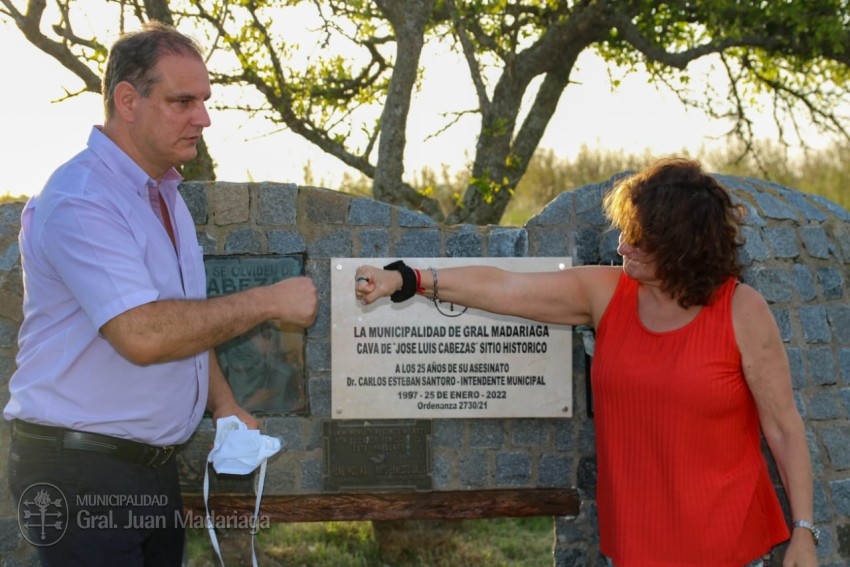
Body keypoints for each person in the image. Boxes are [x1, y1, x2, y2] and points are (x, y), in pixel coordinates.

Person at [354, 157, 818, 567]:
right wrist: (407, 279)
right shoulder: (607, 293)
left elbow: (783, 427)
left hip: (727, 547)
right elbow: (505, 288)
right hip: (635, 546)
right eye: (625, 233)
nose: (621, 248)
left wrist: (803, 531)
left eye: (638, 242)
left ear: (681, 250)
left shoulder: (742, 311)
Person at [4, 21, 317, 567]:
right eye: (183, 101)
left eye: (204, 100)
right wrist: (268, 301)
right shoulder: (82, 199)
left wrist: (224, 405)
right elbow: (144, 334)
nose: (204, 117)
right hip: (81, 474)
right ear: (128, 100)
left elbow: (186, 320)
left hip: (144, 468)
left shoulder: (163, 192)